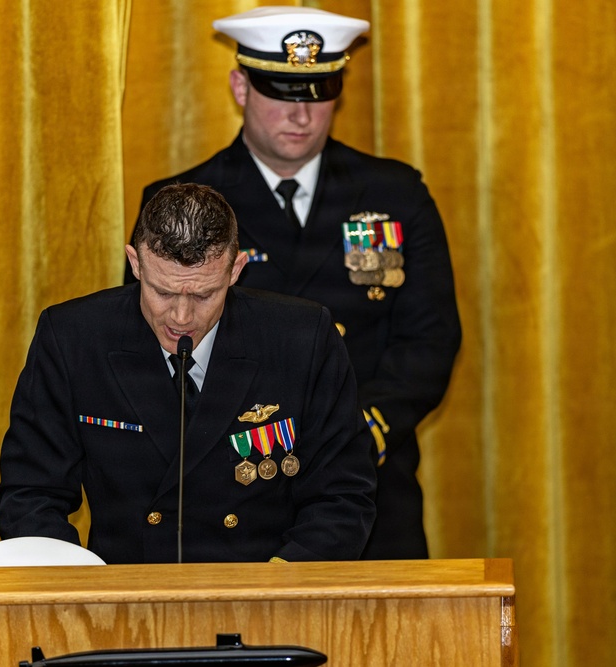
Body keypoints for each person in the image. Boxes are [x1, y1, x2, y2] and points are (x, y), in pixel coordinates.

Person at [125, 7, 462, 559]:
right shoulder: (183, 202)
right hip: (232, 486)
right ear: (240, 87)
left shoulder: (396, 193)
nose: (301, 115)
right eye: (281, 93)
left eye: (318, 93)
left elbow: (431, 338)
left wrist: (358, 431)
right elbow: (155, 342)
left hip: (369, 484)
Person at [0, 183, 376, 564]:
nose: (181, 318)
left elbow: (343, 494)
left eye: (203, 295)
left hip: (262, 581)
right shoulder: (73, 338)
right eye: (162, 292)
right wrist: (80, 585)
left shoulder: (302, 338)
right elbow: (29, 494)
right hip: (125, 586)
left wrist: (279, 584)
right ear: (135, 263)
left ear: (236, 269)